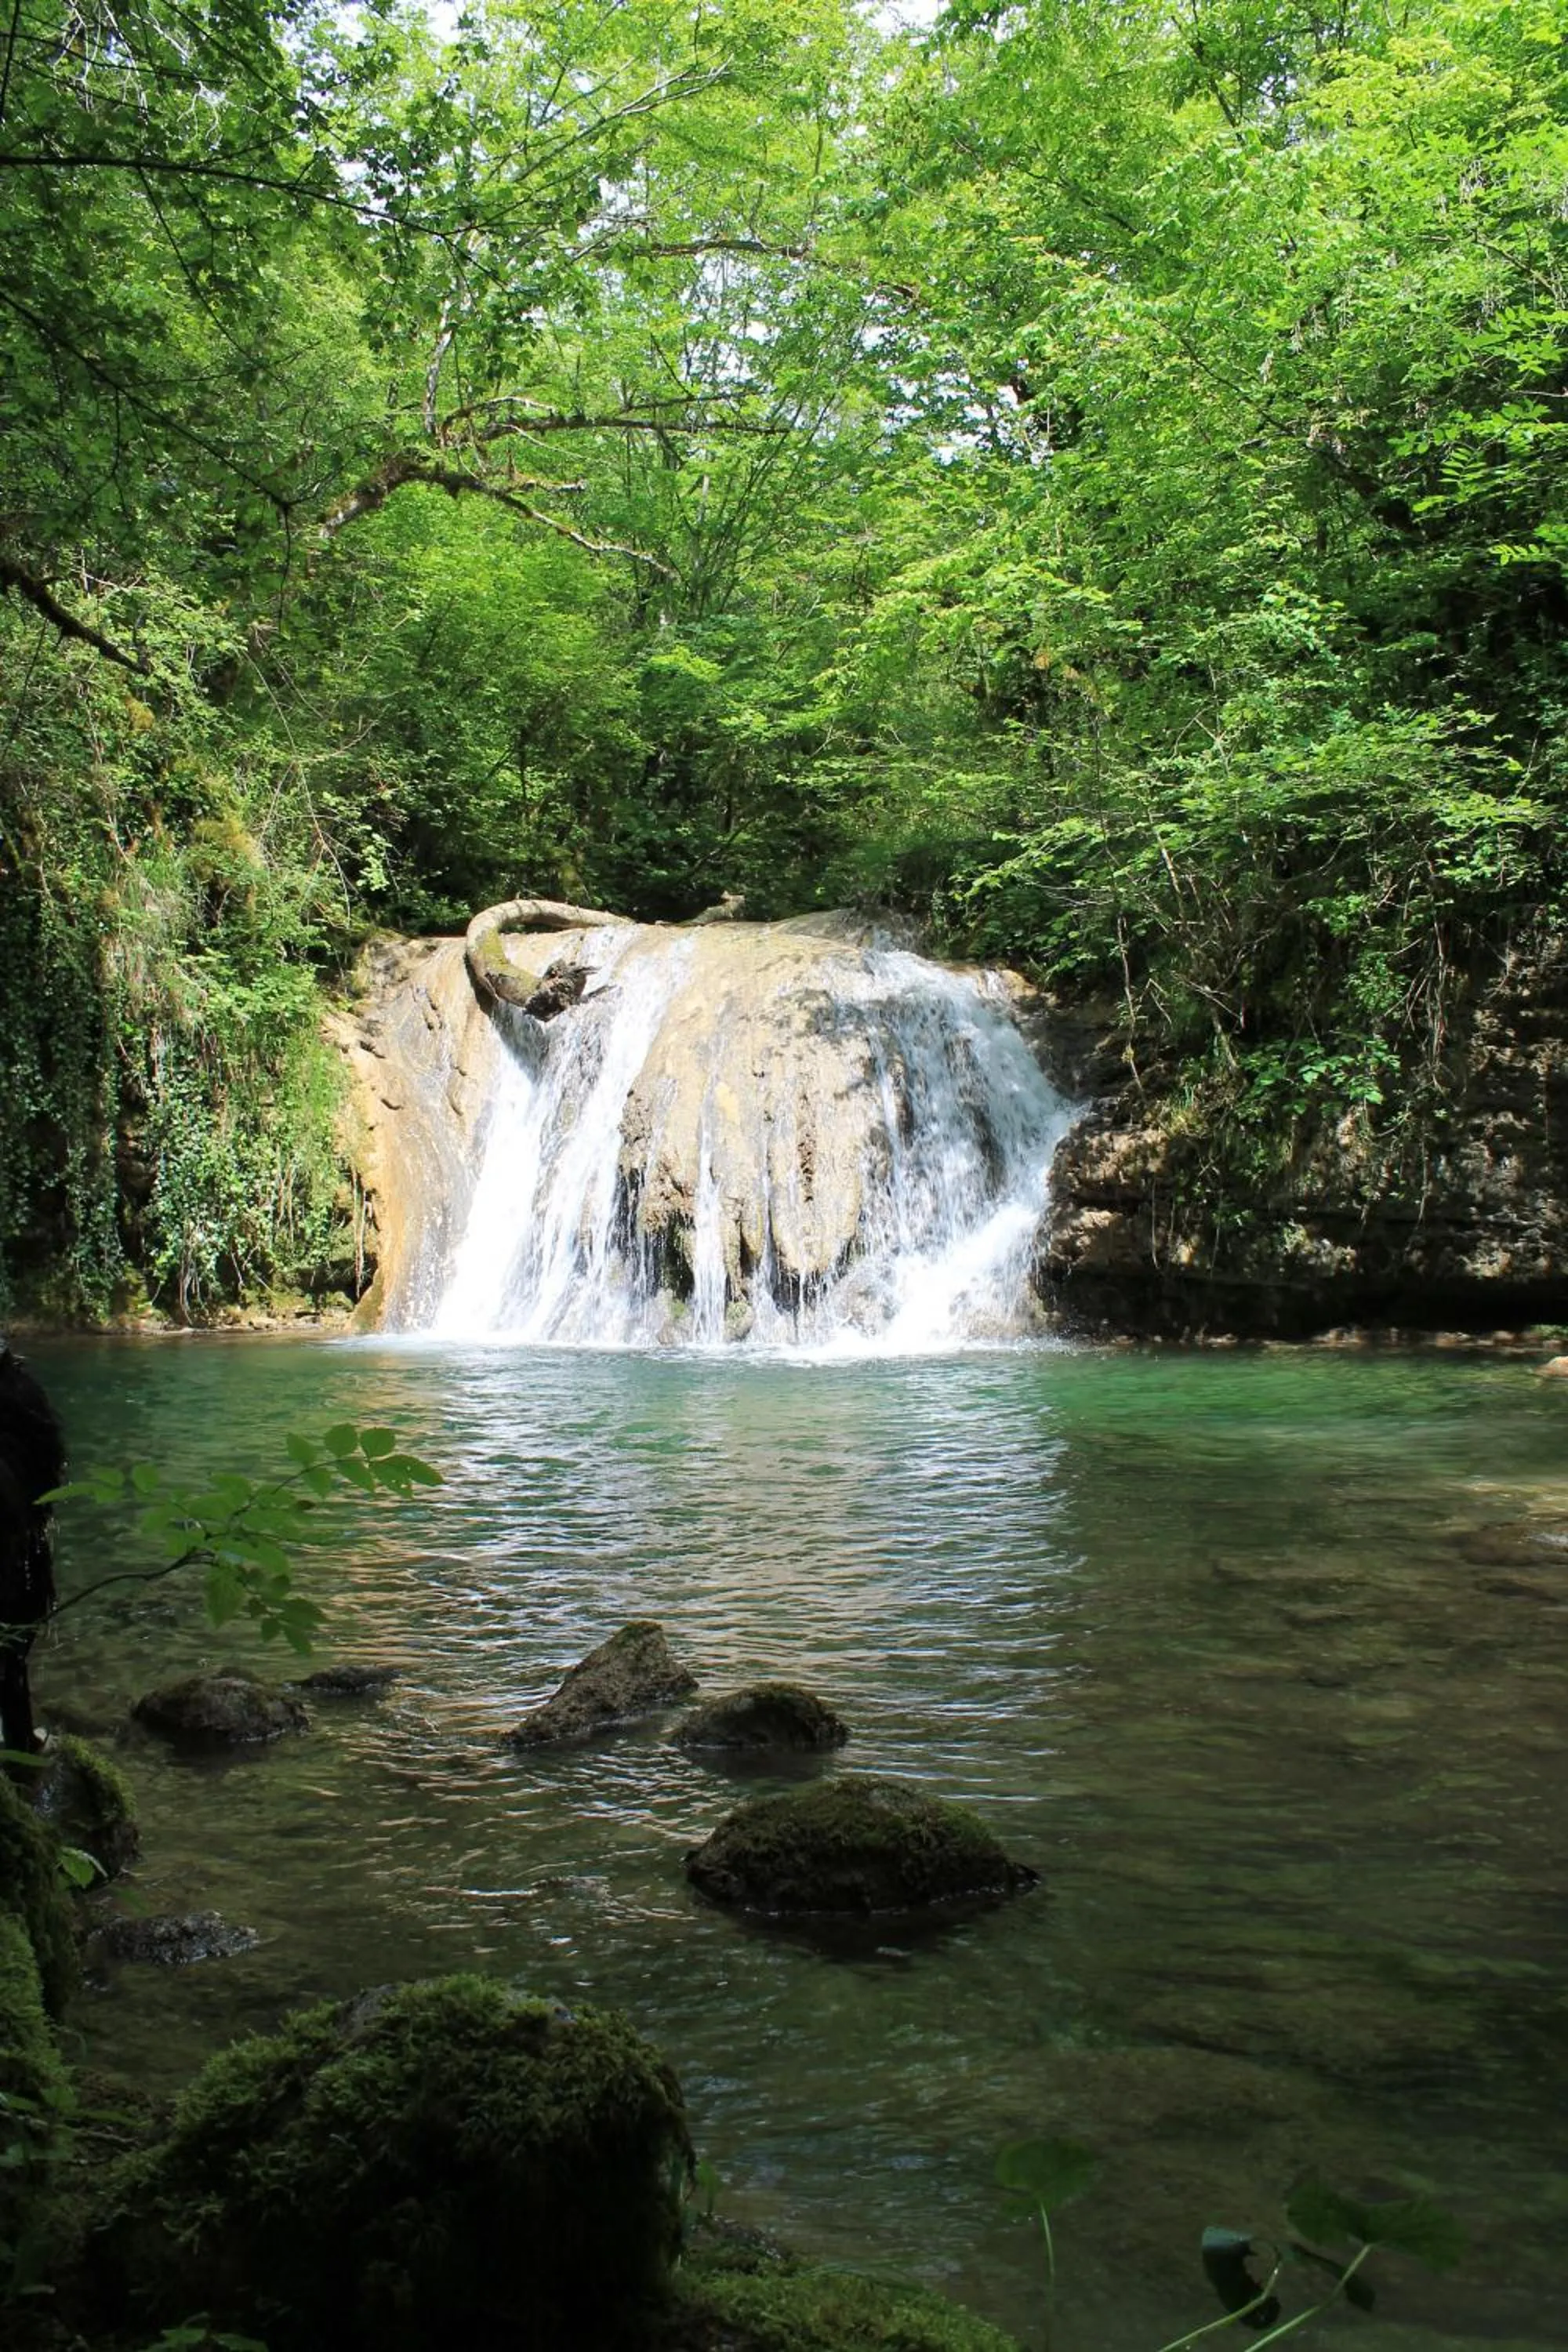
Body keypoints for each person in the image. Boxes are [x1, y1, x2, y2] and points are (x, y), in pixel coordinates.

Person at [0, 1343, 65, 1761]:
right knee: (14, 1641)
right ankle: (21, 1743)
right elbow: (48, 1478)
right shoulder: (21, 1392)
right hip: (16, 1537)